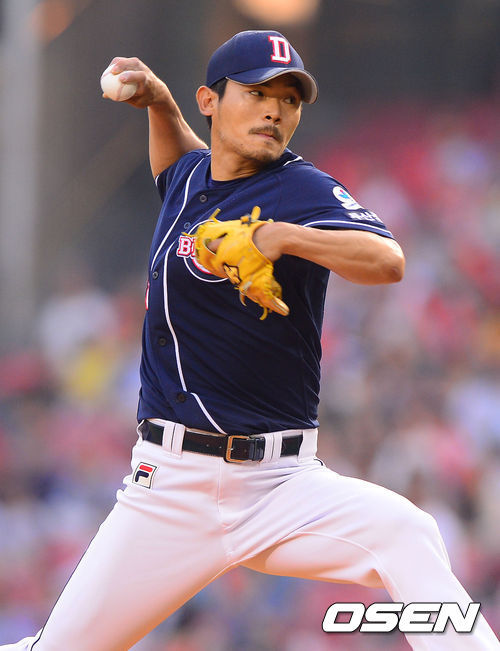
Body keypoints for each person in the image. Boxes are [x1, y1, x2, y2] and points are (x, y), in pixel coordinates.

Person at [3, 30, 498, 651]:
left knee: (407, 532)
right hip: (171, 489)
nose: (275, 111)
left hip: (281, 486)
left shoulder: (299, 188)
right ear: (210, 101)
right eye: (258, 93)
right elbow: (181, 164)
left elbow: (387, 260)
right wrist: (159, 101)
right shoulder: (189, 181)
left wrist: (282, 237)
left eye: (290, 99)